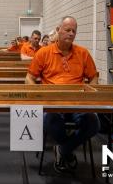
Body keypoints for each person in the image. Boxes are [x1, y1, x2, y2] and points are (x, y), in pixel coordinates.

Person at [25, 16, 100, 173]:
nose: (71, 34)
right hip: (52, 104)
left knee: (93, 123)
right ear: (58, 30)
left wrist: (90, 96)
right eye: (67, 30)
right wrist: (39, 96)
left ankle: (63, 150)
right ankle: (67, 151)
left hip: (77, 104)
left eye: (74, 31)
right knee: (50, 121)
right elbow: (29, 78)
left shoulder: (83, 53)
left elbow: (94, 77)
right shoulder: (44, 53)